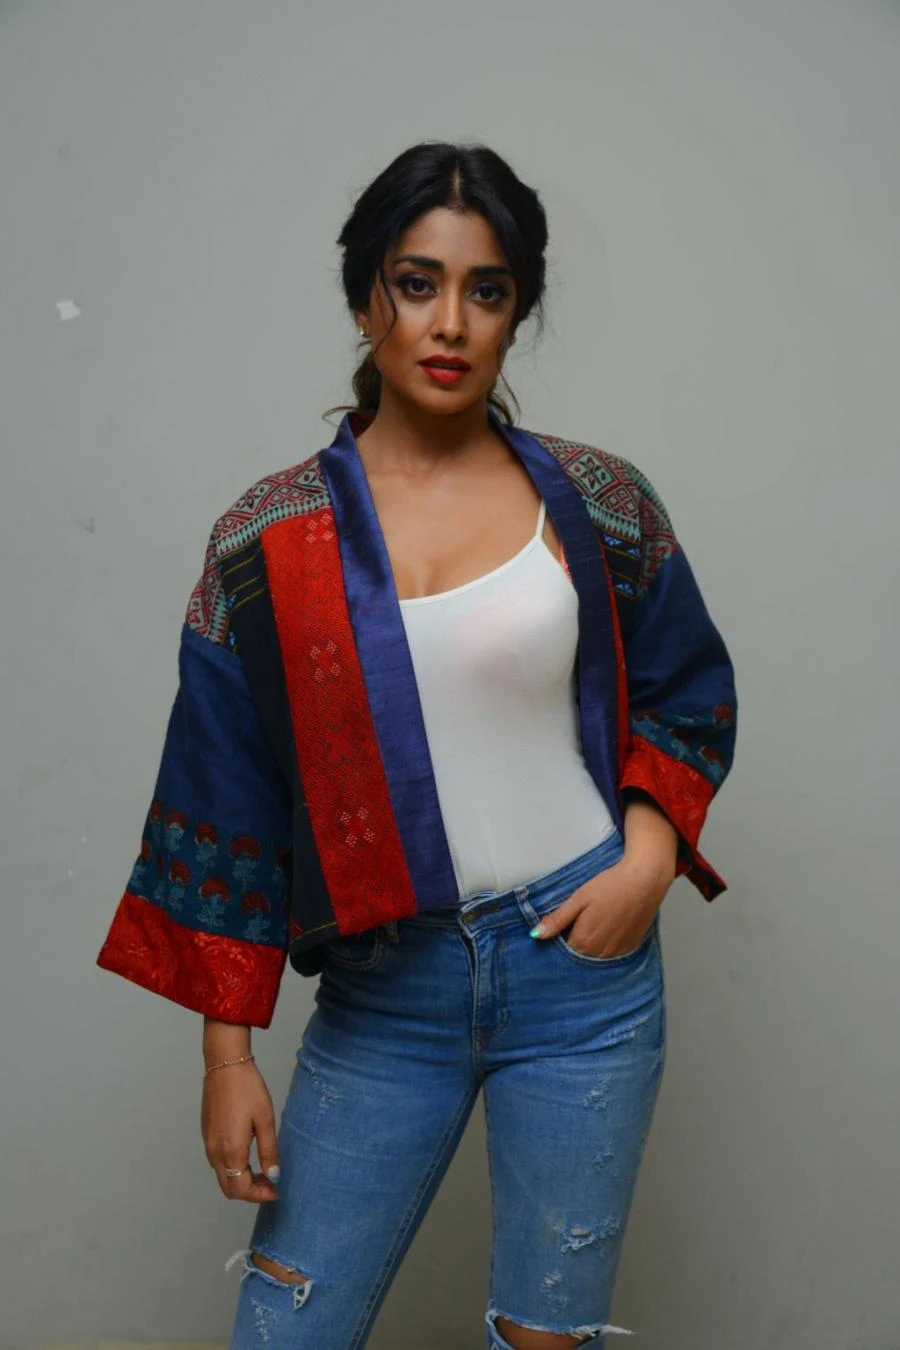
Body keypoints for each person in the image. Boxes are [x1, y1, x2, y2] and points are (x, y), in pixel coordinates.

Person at [97, 141, 738, 1350]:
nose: (450, 322)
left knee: (544, 1341)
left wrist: (648, 860)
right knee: (288, 1331)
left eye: (486, 290)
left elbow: (686, 692)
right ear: (365, 300)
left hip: (584, 979)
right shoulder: (267, 539)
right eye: (416, 283)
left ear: (516, 315)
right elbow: (223, 796)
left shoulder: (600, 502)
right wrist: (226, 1059)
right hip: (385, 994)